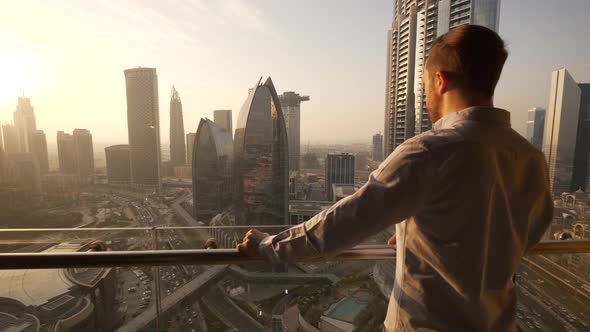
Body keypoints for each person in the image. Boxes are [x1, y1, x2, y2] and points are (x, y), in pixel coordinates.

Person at [238, 25, 552, 331]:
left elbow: (345, 221)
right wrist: (416, 237)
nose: (427, 95)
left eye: (426, 86)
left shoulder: (429, 152)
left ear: (440, 80)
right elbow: (523, 236)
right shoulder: (531, 158)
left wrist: (269, 245)